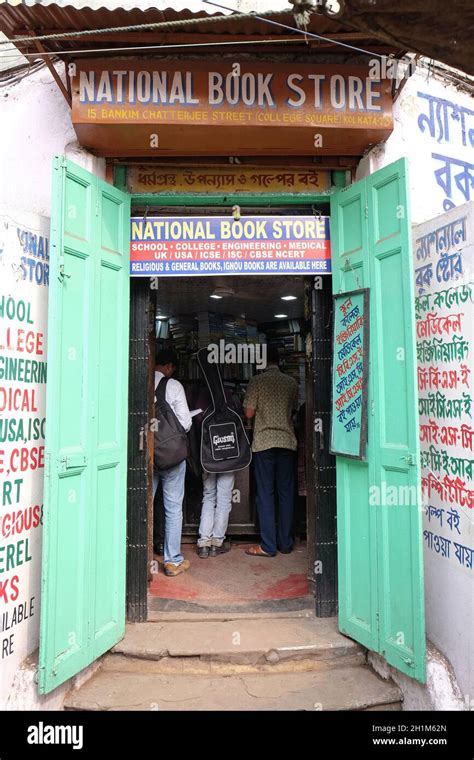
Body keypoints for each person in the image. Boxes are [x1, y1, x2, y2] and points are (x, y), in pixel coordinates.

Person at [243, 345, 298, 557]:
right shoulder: (291, 382)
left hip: (264, 443)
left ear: (261, 362)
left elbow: (248, 413)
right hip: (286, 442)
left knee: (265, 493)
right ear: (279, 361)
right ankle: (285, 543)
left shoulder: (257, 381)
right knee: (286, 493)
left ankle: (267, 545)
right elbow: (293, 410)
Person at [154, 348, 192, 577]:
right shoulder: (174, 385)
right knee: (173, 507)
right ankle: (172, 561)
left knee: (145, 505)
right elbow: (186, 423)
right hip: (172, 457)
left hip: (147, 453)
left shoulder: (139, 381)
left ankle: (139, 558)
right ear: (168, 367)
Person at [194, 383, 243, 559]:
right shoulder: (228, 393)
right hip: (228, 454)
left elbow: (197, 418)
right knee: (224, 498)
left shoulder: (202, 393)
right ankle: (217, 542)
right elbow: (238, 417)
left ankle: (204, 542)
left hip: (208, 454)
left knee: (208, 496)